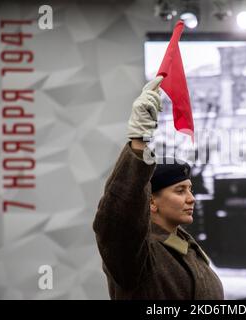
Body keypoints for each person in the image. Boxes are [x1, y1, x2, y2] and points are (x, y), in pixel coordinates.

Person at [92, 76, 224, 300]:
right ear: (151, 201)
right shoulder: (135, 254)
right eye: (180, 191)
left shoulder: (185, 247)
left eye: (189, 189)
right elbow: (117, 218)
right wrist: (138, 142)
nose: (191, 199)